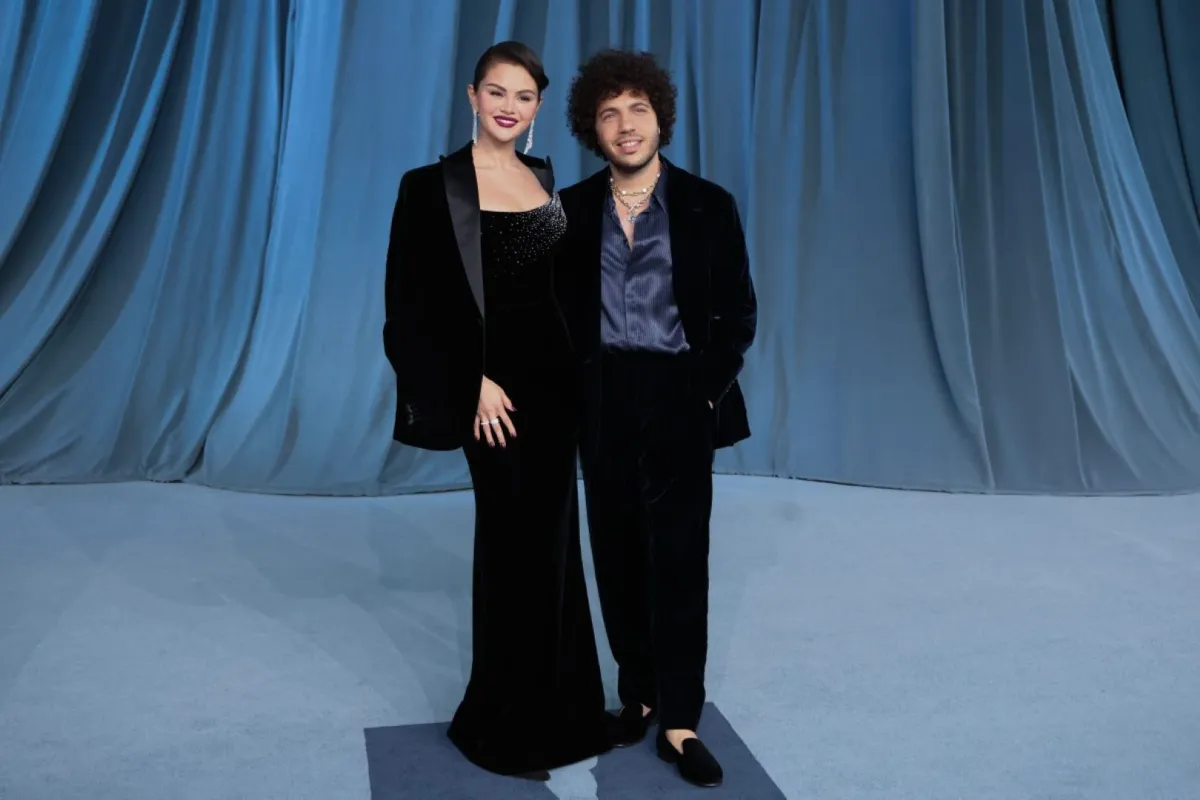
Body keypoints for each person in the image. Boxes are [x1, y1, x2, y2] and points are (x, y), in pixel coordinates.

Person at [381, 41, 611, 779]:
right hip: (493, 396)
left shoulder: (543, 178)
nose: (509, 107)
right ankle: (504, 723)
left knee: (555, 545)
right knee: (514, 547)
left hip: (555, 387)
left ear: (537, 108)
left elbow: (557, 290)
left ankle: (568, 712)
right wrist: (469, 381)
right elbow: (408, 307)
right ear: (472, 96)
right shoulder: (431, 187)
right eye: (497, 92)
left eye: (524, 96)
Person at [557, 49, 758, 788]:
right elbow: (547, 313)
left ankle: (680, 719)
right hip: (603, 398)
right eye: (609, 113)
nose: (625, 124)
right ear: (593, 128)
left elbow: (738, 313)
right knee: (614, 553)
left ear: (660, 117)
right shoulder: (569, 210)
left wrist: (701, 394)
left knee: (677, 558)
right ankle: (637, 695)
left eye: (637, 109)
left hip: (680, 393)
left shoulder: (709, 204)